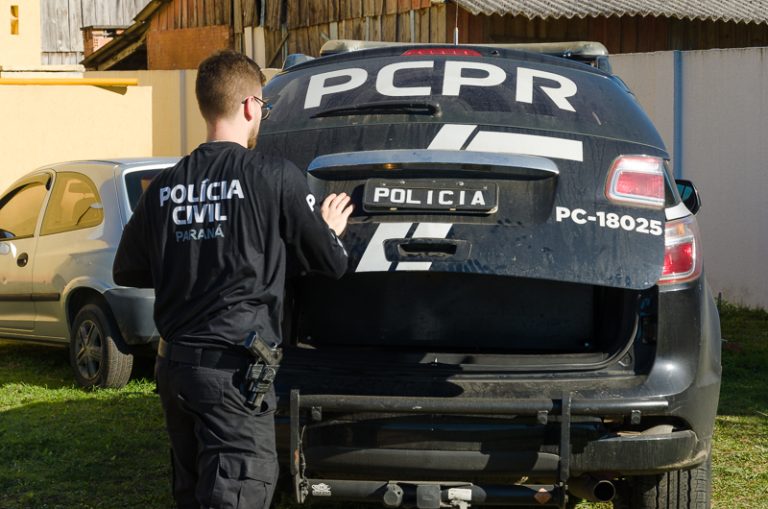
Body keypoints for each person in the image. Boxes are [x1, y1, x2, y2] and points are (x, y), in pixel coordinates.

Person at [112, 49, 352, 509]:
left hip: (177, 370)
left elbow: (128, 268)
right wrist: (327, 229)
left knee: (194, 490)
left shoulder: (163, 187)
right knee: (240, 489)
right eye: (262, 107)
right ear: (248, 106)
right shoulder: (273, 176)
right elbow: (332, 263)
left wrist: (187, 256)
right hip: (233, 375)